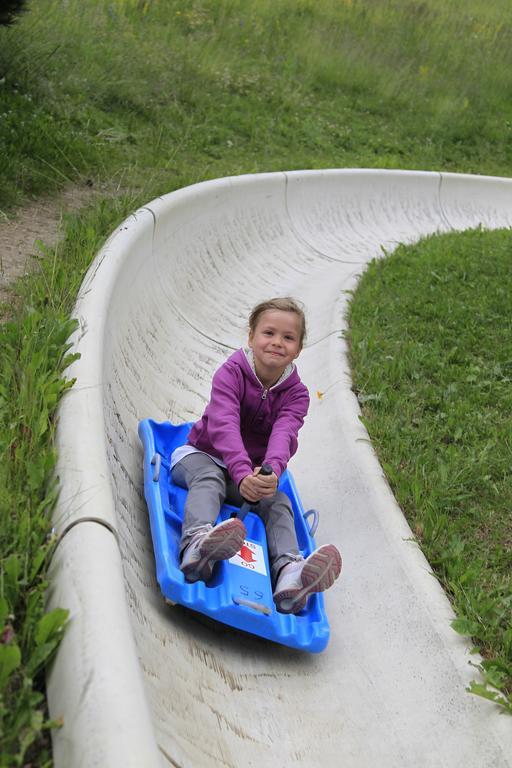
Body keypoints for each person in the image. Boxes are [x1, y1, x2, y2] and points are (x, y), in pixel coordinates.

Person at [170, 297, 341, 614]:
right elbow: (223, 425)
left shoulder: (297, 394)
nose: (277, 343)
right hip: (200, 455)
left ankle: (290, 574)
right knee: (208, 478)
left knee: (278, 501)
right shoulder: (231, 374)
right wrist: (240, 471)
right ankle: (197, 543)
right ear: (251, 336)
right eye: (269, 333)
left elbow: (284, 434)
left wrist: (270, 472)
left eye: (288, 338)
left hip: (247, 475)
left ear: (298, 349)